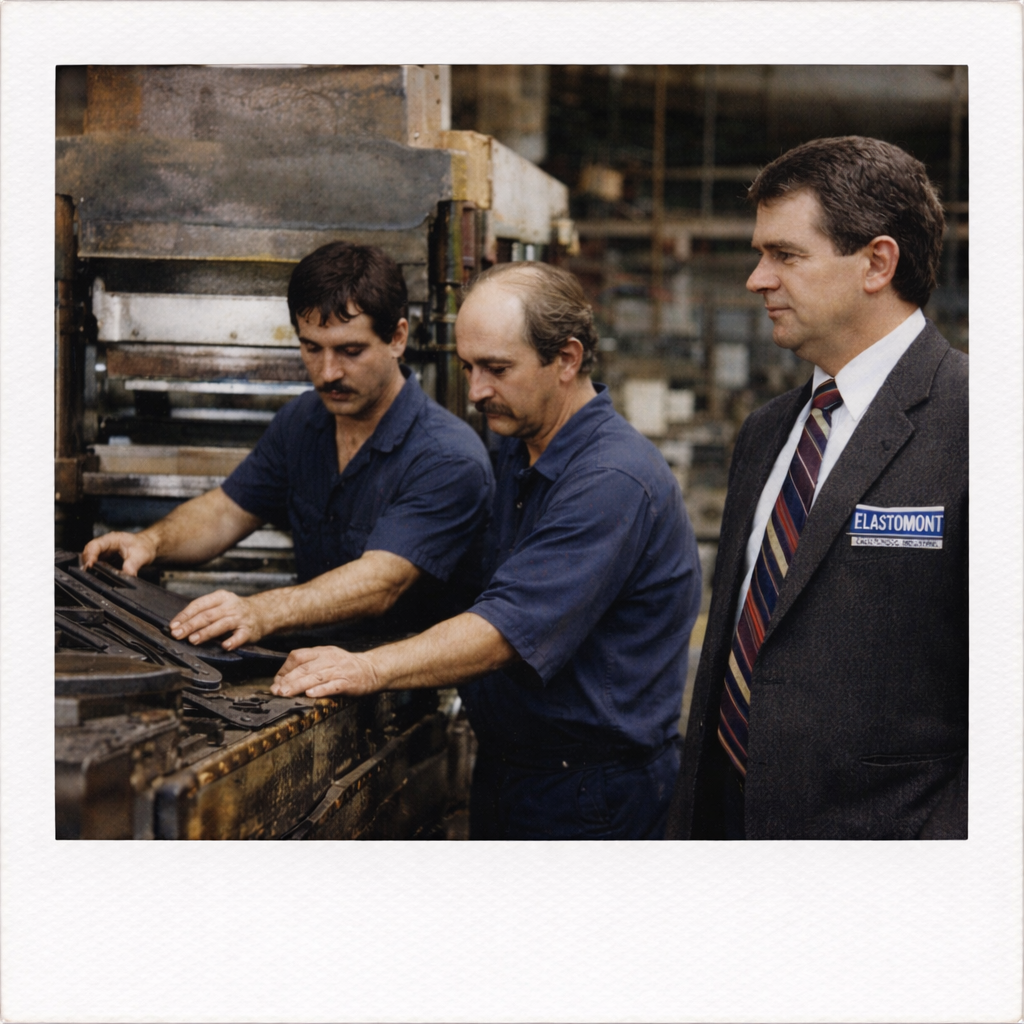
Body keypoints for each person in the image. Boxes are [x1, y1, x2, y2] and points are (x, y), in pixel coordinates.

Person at [271, 262, 703, 839]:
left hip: (592, 795)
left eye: (497, 369)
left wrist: (368, 667)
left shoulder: (612, 478)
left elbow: (504, 630)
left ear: (567, 360)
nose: (475, 392)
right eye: (468, 367)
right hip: (513, 773)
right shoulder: (517, 449)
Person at [665, 136, 967, 840]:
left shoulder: (977, 424)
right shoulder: (769, 433)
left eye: (785, 254)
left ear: (877, 263)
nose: (756, 279)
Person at [83, 242, 494, 648]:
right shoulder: (303, 421)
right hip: (314, 671)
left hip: (409, 692)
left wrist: (262, 611)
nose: (327, 372)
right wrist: (149, 543)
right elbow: (226, 511)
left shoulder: (448, 457)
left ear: (397, 338)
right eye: (311, 347)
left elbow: (380, 583)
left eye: (350, 351)